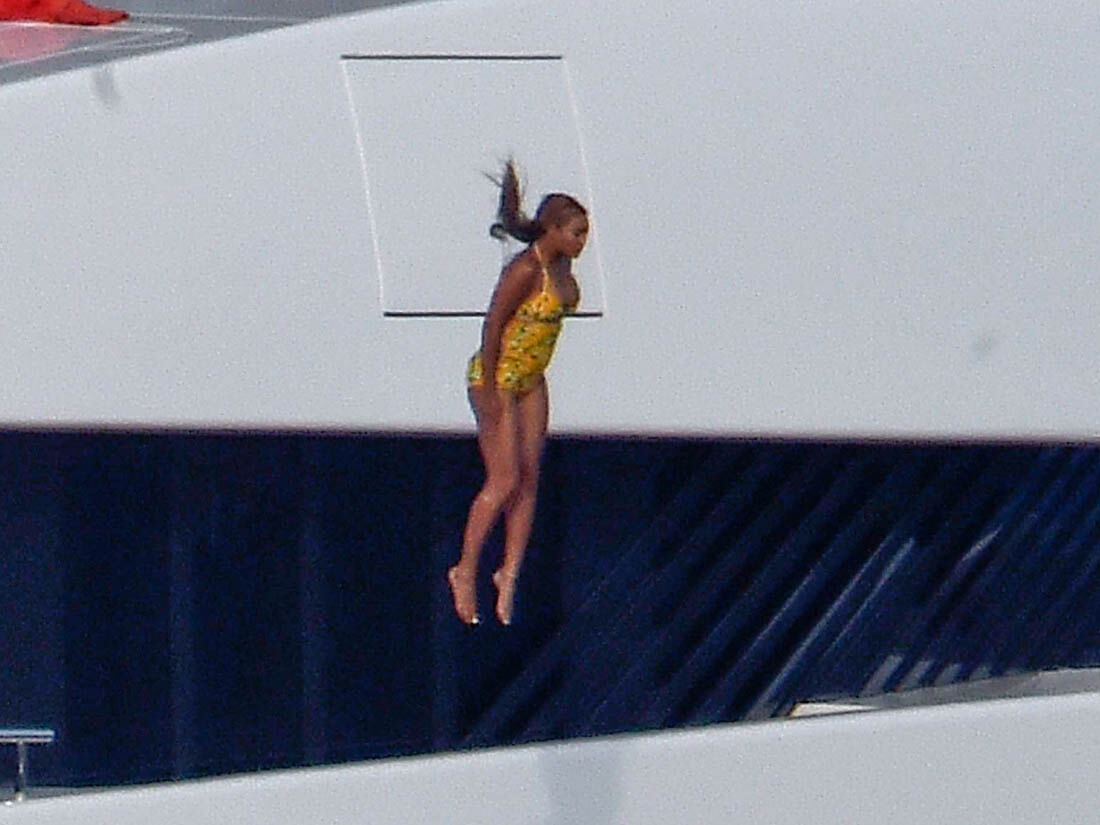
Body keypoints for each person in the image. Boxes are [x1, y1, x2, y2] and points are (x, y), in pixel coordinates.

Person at [447, 160, 589, 626]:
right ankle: (465, 569)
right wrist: (489, 388)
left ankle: (508, 573)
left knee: (529, 479)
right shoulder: (526, 270)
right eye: (575, 233)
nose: (581, 243)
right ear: (553, 231)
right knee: (504, 479)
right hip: (500, 376)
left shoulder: (562, 269)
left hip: (532, 376)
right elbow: (494, 325)